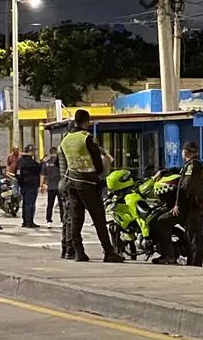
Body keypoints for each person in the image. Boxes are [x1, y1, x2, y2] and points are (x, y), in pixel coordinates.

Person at [58, 109, 124, 263]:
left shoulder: (65, 139)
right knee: (99, 217)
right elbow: (97, 162)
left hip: (71, 181)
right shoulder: (86, 138)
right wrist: (99, 174)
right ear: (86, 121)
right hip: (87, 182)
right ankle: (109, 252)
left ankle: (79, 252)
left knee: (76, 218)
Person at [173, 141, 203, 267]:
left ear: (185, 152)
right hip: (197, 205)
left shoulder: (193, 165)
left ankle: (195, 262)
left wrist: (178, 204)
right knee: (193, 234)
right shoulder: (194, 164)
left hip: (194, 205)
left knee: (194, 235)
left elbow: (185, 187)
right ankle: (193, 261)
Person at [16, 144, 42, 228]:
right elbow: (38, 169)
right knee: (30, 204)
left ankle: (25, 221)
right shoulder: (30, 161)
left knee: (25, 204)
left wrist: (20, 183)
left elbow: (18, 173)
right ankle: (29, 222)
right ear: (31, 152)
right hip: (31, 185)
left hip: (24, 185)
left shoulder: (20, 160)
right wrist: (42, 162)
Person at [41, 147, 62, 227]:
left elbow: (42, 175)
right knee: (61, 205)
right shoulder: (60, 162)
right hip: (59, 186)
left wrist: (41, 185)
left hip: (50, 186)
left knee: (50, 204)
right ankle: (62, 221)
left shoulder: (46, 163)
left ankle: (49, 221)